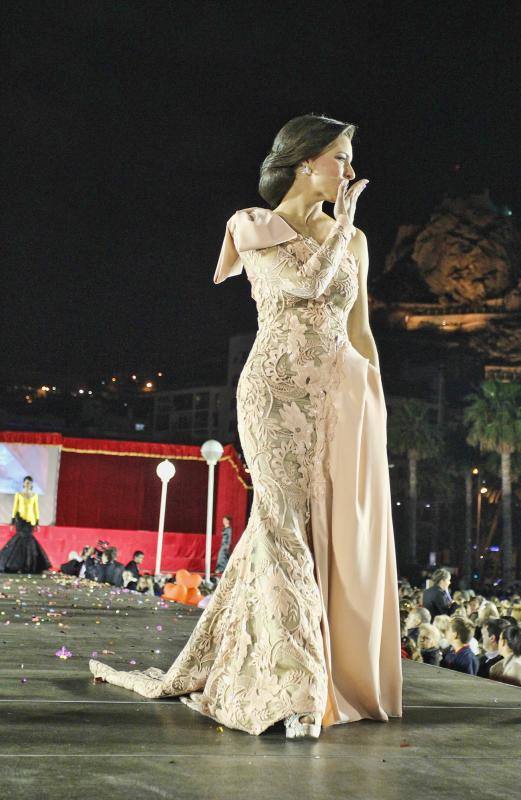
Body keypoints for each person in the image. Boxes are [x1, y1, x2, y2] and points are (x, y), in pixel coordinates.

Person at [90, 113, 403, 739]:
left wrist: (375, 395)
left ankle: (293, 668)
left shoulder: (356, 241)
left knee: (325, 534)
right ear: (305, 162)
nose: (348, 170)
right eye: (340, 157)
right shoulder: (252, 225)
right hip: (274, 393)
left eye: (347, 159)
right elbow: (307, 284)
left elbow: (358, 326)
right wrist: (341, 226)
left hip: (340, 399)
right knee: (282, 523)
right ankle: (296, 691)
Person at [0, 475, 51, 573]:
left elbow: (35, 509)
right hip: (21, 520)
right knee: (19, 539)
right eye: (26, 482)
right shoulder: (18, 495)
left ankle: (29, 565)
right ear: (23, 484)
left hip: (30, 521)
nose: (28, 484)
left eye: (29, 483)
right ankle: (13, 564)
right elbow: (15, 508)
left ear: (31, 484)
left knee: (29, 541)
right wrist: (12, 522)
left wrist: (37, 523)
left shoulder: (34, 495)